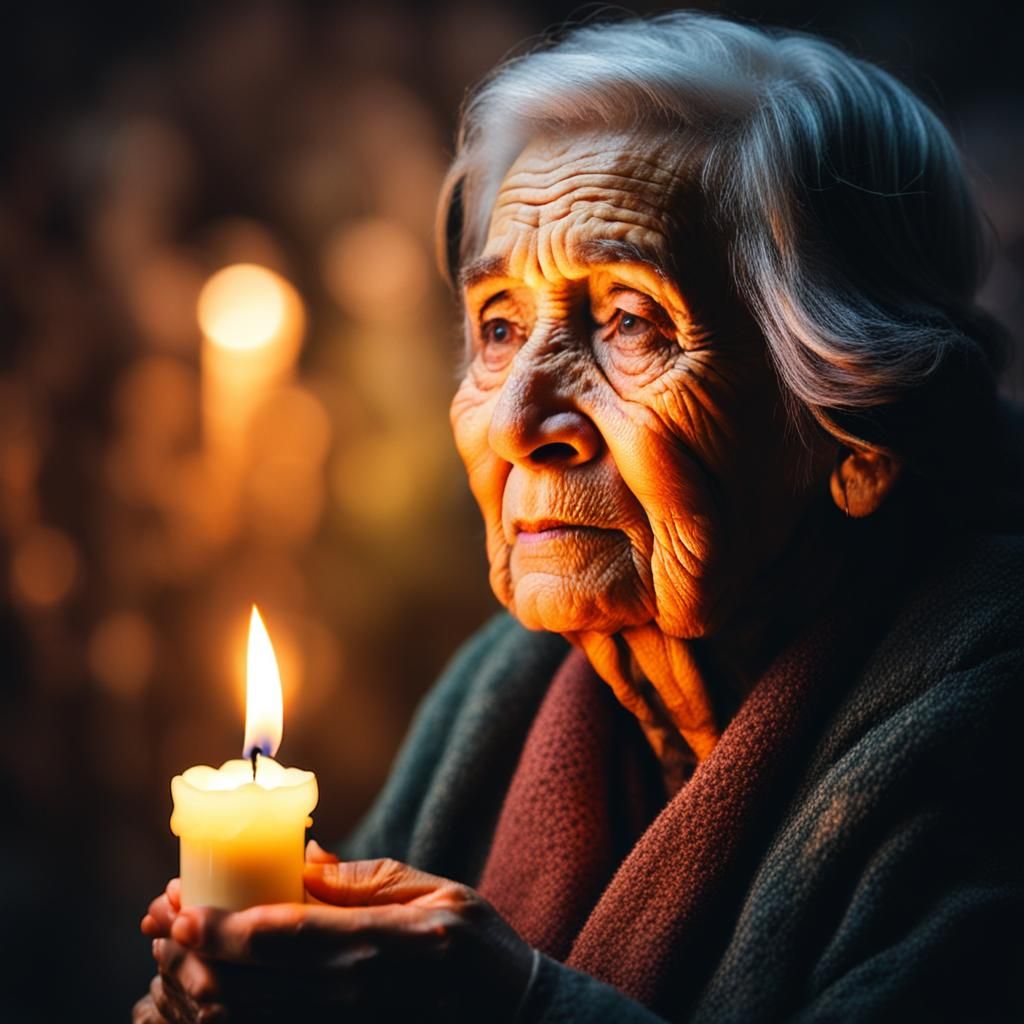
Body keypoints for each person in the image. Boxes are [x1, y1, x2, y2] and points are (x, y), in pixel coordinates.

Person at [135, 11, 1024, 1023]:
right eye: (500, 327)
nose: (518, 422)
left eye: (629, 322)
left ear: (858, 438)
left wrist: (506, 1008)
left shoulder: (987, 729)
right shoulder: (503, 688)